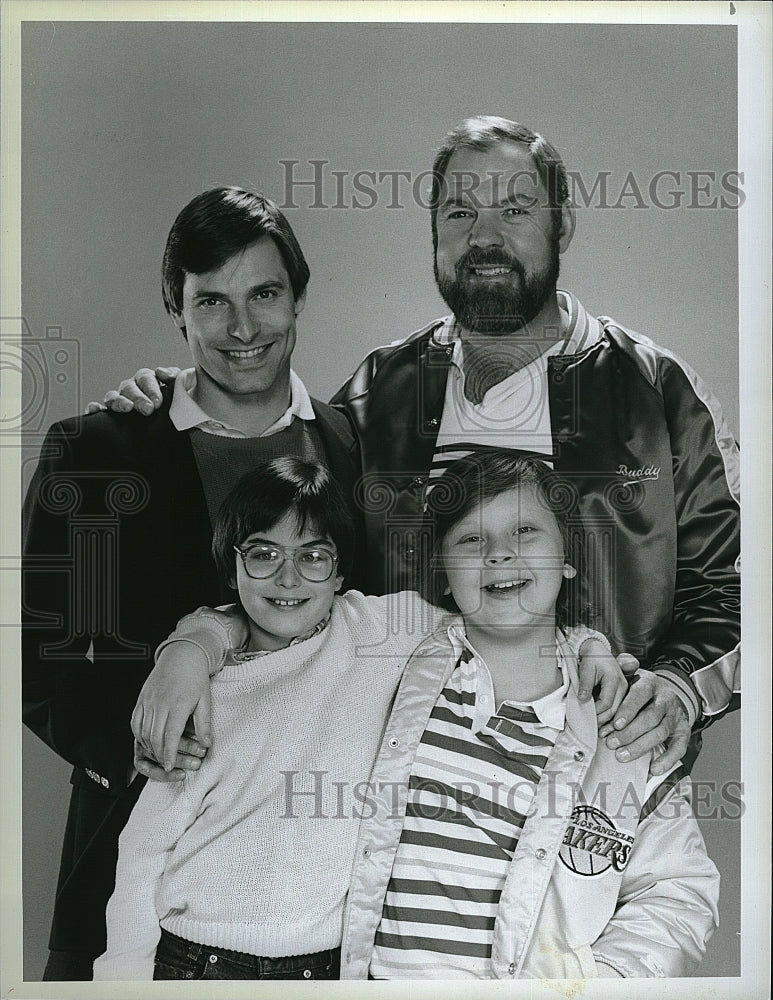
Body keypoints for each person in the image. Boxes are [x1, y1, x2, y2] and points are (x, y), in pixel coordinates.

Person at [105, 117, 740, 777]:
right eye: (459, 212)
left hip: (604, 801)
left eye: (515, 209)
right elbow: (291, 569)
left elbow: (736, 588)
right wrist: (179, 405)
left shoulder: (655, 390)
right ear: (433, 231)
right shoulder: (376, 395)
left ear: (563, 225)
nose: (483, 236)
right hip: (402, 817)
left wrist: (678, 685)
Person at [133, 451, 719, 980]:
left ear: (567, 557)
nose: (500, 554)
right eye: (470, 540)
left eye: (525, 531)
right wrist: (188, 650)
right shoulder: (396, 649)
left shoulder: (625, 715)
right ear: (442, 568)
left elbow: (679, 890)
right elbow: (281, 617)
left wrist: (597, 985)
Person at [22, 187, 364, 980]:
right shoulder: (100, 450)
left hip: (312, 892)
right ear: (176, 309)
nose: (242, 331)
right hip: (136, 857)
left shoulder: (351, 444)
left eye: (264, 295)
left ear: (299, 297)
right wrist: (153, 759)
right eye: (211, 301)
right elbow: (44, 666)